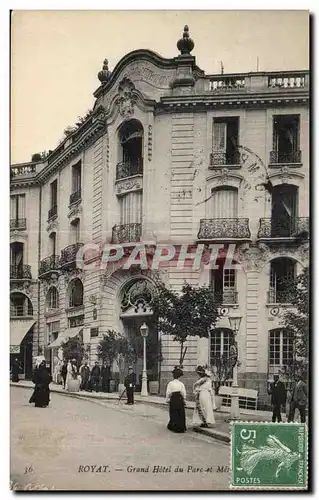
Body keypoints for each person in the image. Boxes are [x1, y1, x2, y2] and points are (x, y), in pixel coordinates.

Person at [166, 366, 187, 433]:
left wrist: (167, 399)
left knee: (173, 412)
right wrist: (184, 399)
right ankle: (181, 427)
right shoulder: (181, 384)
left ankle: (174, 426)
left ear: (173, 376)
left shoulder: (170, 383)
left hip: (173, 398)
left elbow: (168, 392)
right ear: (179, 376)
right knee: (180, 413)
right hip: (180, 398)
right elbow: (184, 393)